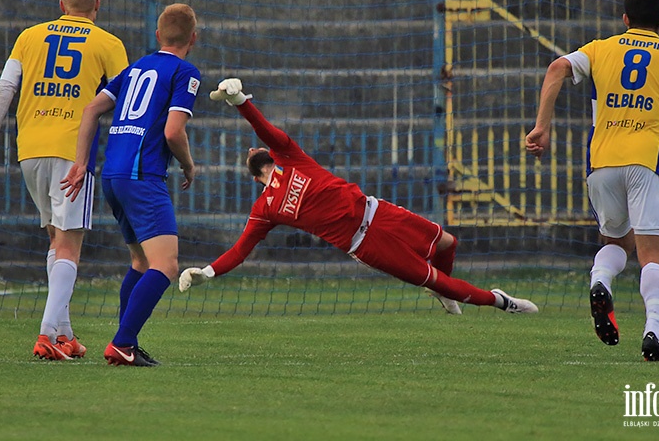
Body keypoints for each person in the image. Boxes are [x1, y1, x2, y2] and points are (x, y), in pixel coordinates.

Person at [177, 78, 539, 317]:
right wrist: (206, 271)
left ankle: (443, 290)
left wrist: (240, 100)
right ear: (254, 175)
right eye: (250, 152)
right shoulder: (265, 208)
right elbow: (241, 249)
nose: (254, 147)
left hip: (377, 211)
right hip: (366, 243)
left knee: (447, 242)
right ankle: (503, 302)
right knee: (438, 279)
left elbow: (264, 128)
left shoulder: (289, 156)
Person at [525, 0, 659, 362]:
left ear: (625, 19)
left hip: (601, 162)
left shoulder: (600, 48)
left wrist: (542, 127)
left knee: (614, 242)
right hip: (648, 162)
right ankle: (653, 332)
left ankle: (600, 281)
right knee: (651, 253)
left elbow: (557, 68)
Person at [0, 0, 128, 360]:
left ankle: (65, 334)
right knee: (70, 244)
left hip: (30, 149)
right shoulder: (108, 43)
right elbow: (125, 103)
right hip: (73, 152)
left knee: (56, 239)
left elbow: (6, 89)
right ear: (97, 5)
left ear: (60, 5)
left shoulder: (29, 37)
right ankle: (45, 334)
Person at [61, 3, 200, 367]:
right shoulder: (185, 72)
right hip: (142, 177)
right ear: (193, 39)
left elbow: (91, 109)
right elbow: (173, 131)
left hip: (113, 175)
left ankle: (128, 343)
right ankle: (122, 343)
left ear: (158, 35)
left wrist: (80, 163)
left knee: (140, 260)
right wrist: (188, 165)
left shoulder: (135, 67)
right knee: (166, 265)